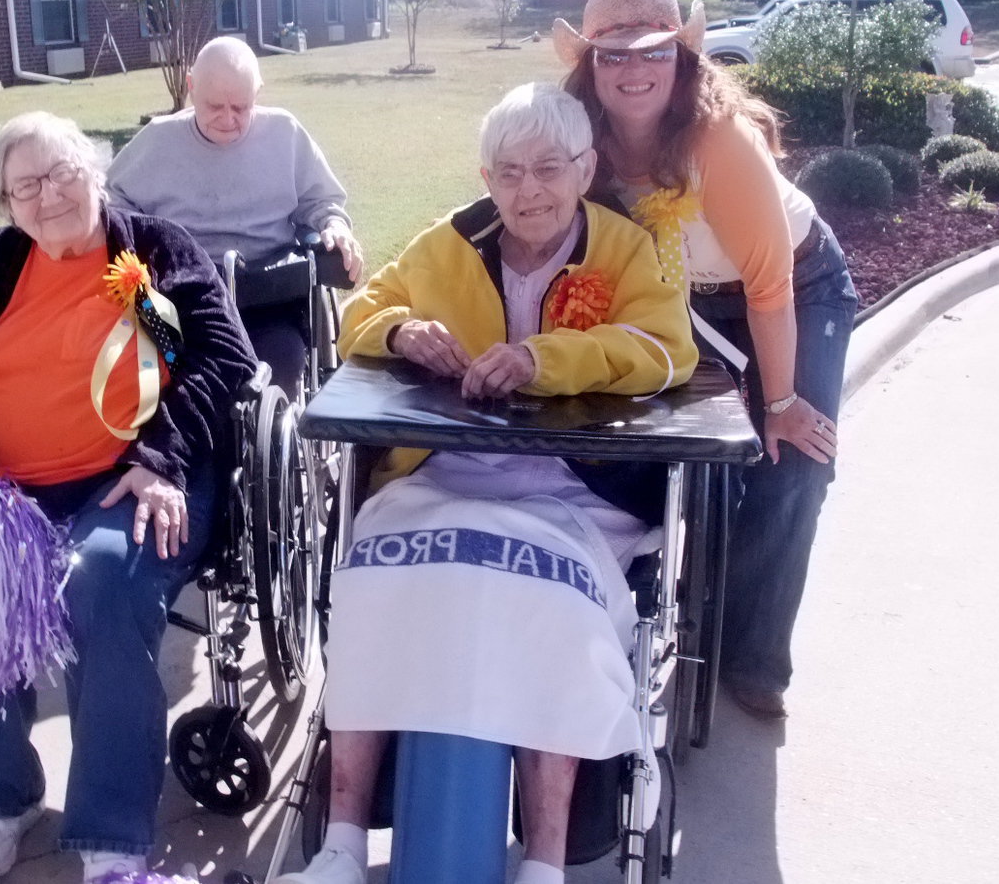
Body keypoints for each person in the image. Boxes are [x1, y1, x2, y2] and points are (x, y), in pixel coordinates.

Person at [272, 83, 698, 884]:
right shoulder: (451, 241)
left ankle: (543, 863)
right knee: (371, 590)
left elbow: (664, 347)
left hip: (571, 492)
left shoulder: (622, 248)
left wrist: (547, 358)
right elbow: (360, 310)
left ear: (586, 167)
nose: (528, 190)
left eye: (548, 168)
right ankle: (340, 847)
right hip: (444, 475)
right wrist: (403, 329)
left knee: (549, 608)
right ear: (485, 175)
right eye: (508, 172)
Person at [0, 111, 255, 884]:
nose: (47, 196)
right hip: (0, 486)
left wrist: (159, 456)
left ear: (96, 171)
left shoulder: (147, 256)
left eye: (62, 173)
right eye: (26, 186)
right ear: (8, 206)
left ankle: (112, 835)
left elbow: (218, 355)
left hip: (128, 479)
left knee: (104, 580)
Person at [558, 0, 858, 719]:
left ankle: (753, 659)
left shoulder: (718, 140)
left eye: (654, 52)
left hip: (796, 284)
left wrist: (781, 404)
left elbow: (770, 284)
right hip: (683, 296)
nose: (634, 70)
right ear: (591, 65)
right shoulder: (581, 135)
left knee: (795, 461)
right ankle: (691, 625)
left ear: (681, 57)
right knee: (703, 460)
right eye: (613, 55)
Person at [107, 35, 364, 400]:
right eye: (215, 106)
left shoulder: (285, 133)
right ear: (191, 88)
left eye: (241, 107)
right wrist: (138, 246)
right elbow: (113, 204)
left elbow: (321, 201)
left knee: (280, 374)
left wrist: (334, 226)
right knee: (177, 386)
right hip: (182, 300)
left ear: (258, 93)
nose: (228, 119)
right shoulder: (157, 141)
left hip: (269, 296)